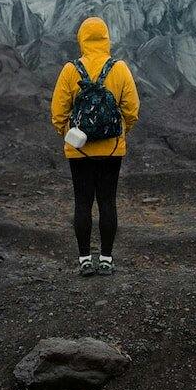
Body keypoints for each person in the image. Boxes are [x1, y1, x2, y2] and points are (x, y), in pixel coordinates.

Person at [49, 15, 140, 275]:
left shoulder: (70, 70)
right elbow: (132, 109)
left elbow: (58, 111)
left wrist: (68, 134)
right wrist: (120, 132)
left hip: (78, 150)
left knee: (82, 202)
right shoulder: (119, 68)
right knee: (108, 202)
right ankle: (108, 260)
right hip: (112, 149)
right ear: (106, 39)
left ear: (81, 39)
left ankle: (85, 260)